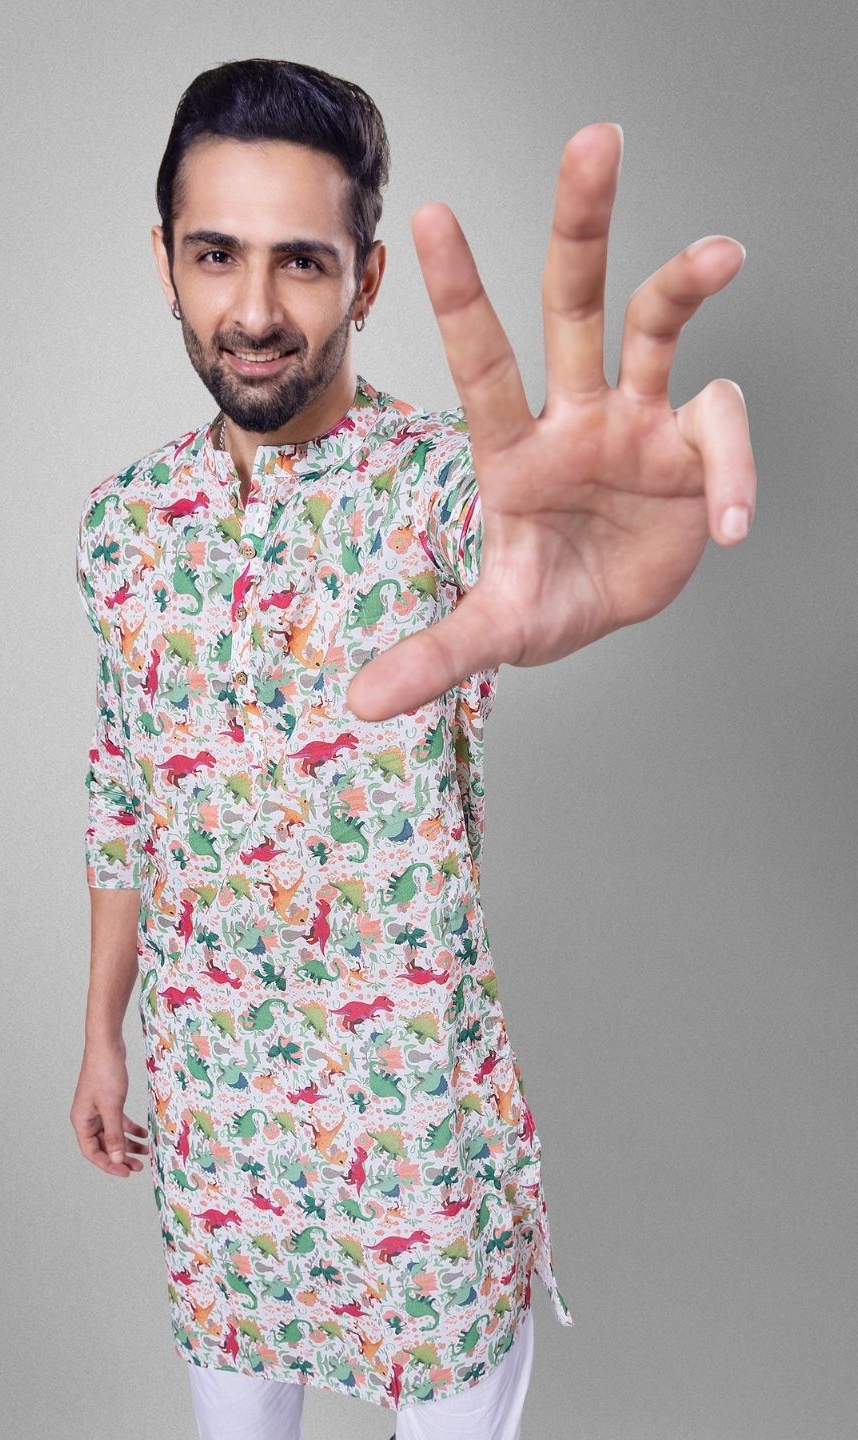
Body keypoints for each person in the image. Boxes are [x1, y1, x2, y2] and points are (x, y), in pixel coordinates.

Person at [69, 58, 754, 1440]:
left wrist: (604, 526)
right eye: (216, 254)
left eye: (302, 262)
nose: (254, 311)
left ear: (368, 279)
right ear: (166, 262)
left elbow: (522, 538)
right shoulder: (122, 524)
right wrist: (101, 1031)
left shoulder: (451, 488)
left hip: (417, 1135)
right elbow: (125, 788)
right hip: (218, 1127)